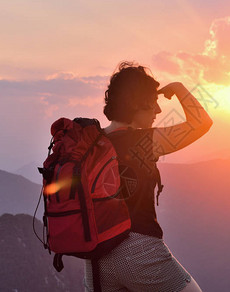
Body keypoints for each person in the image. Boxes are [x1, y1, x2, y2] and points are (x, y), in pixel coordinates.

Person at [84, 61, 213, 292]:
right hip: (139, 251)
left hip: (96, 260)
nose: (159, 111)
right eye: (153, 103)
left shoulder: (91, 142)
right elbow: (201, 123)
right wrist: (179, 88)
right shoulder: (144, 142)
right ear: (137, 103)